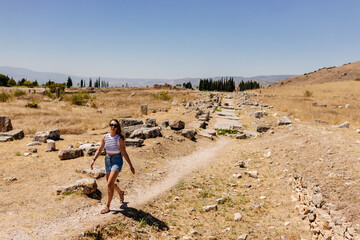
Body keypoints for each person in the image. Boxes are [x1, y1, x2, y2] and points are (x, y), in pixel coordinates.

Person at [90, 119, 135, 214]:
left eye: (115, 125)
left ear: (117, 127)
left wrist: (131, 165)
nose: (113, 127)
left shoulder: (120, 139)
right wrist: (93, 160)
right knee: (110, 183)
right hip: (107, 160)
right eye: (111, 125)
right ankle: (120, 192)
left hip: (117, 160)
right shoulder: (105, 137)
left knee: (109, 183)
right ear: (109, 126)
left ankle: (107, 206)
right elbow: (99, 149)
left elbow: (124, 152)